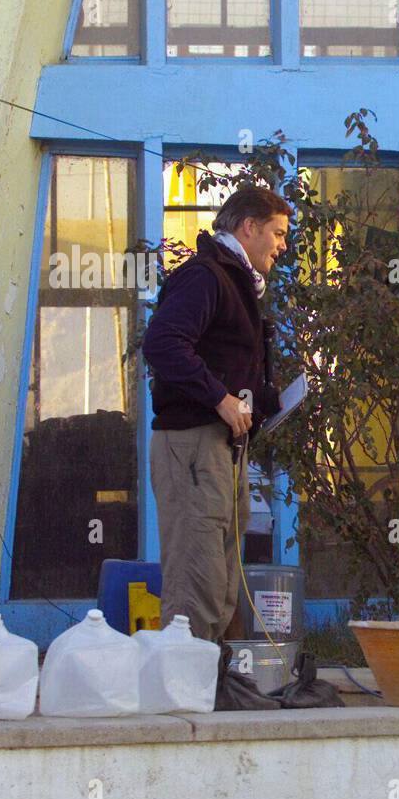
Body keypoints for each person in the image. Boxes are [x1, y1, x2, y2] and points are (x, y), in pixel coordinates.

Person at [142, 187, 289, 642]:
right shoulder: (206, 277)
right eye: (278, 233)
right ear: (248, 228)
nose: (282, 246)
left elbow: (220, 360)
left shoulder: (235, 282)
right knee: (197, 576)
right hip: (194, 444)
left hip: (221, 448)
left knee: (221, 578)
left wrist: (265, 400)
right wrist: (220, 399)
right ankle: (185, 694)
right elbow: (162, 343)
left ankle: (211, 688)